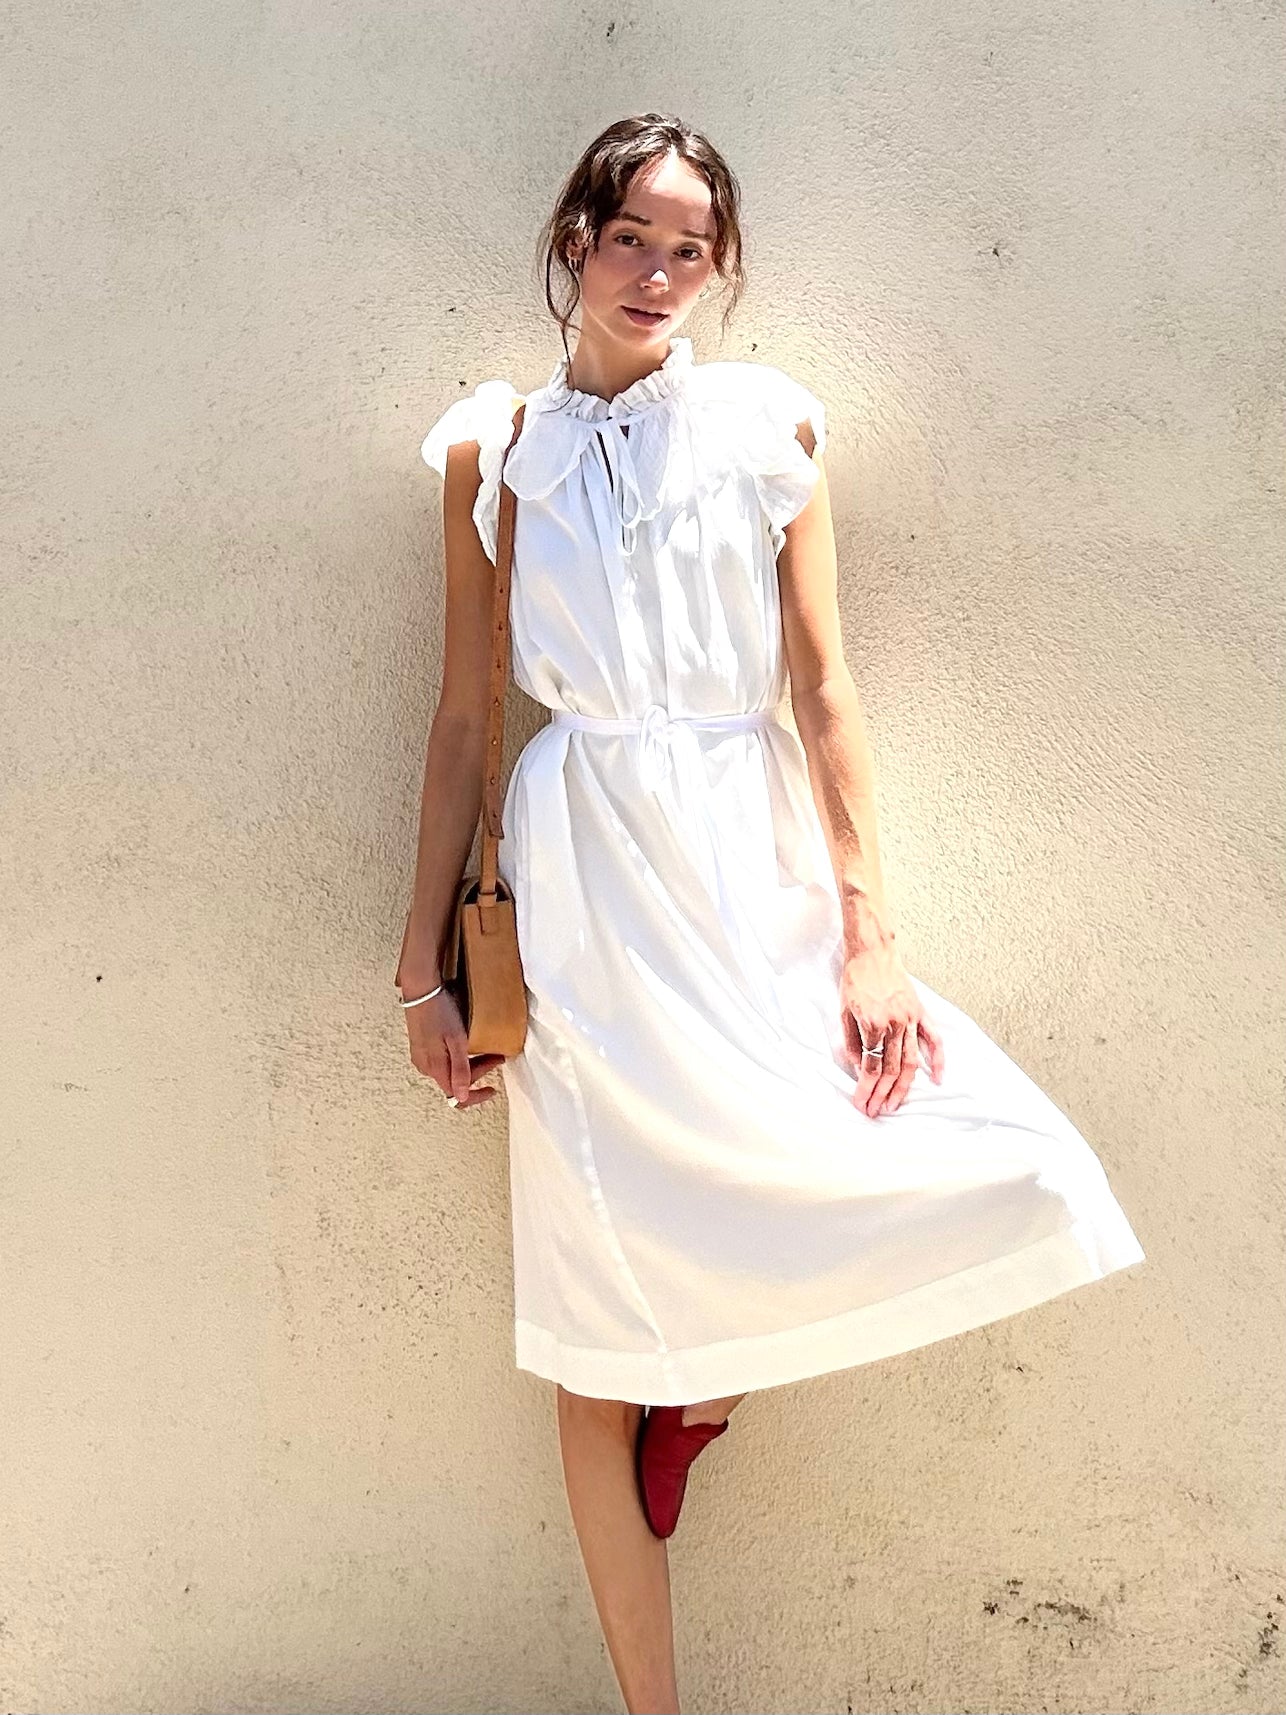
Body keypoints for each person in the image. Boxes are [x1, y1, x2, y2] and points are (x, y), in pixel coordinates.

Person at [395, 113, 1146, 1715]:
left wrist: (872, 936)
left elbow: (824, 687)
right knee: (595, 1320)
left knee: (976, 1154)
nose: (657, 272)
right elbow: (463, 720)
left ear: (717, 269)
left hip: (752, 860)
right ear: (573, 242)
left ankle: (713, 1383)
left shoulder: (766, 429)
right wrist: (419, 977)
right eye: (630, 237)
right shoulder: (490, 453)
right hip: (584, 886)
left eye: (690, 248)